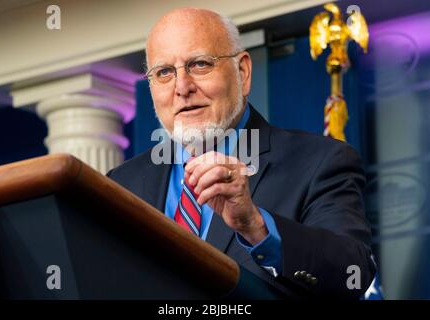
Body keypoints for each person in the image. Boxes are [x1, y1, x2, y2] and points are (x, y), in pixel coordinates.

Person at [106, 7, 375, 299]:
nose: (182, 87)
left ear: (243, 72)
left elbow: (353, 274)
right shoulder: (121, 183)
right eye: (164, 72)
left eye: (199, 64)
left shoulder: (320, 161)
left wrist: (256, 226)